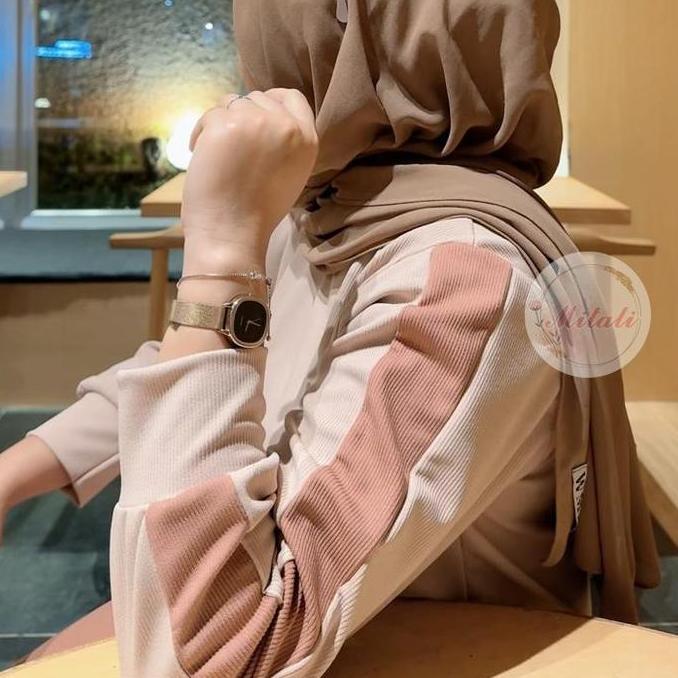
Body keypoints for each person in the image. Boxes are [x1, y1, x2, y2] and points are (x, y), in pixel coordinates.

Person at [0, 0, 660, 675]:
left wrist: (221, 253)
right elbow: (185, 363)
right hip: (311, 591)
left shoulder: (463, 278)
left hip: (411, 639)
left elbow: (223, 653)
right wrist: (12, 473)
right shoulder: (339, 207)